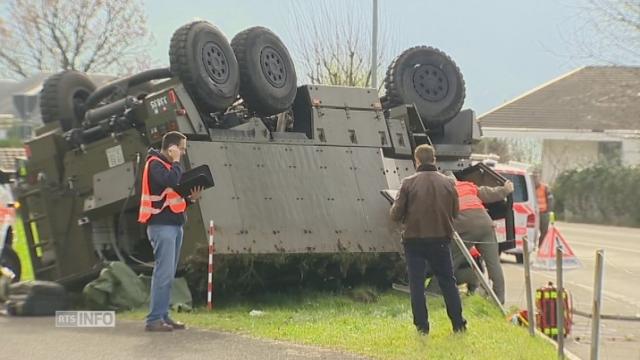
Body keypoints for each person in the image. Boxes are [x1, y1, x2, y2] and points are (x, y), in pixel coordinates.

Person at [389, 144, 466, 335]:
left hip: (414, 241)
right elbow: (455, 212)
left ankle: (422, 327)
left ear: (416, 161)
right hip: (441, 239)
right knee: (448, 282)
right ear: (434, 159)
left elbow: (396, 215)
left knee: (416, 284)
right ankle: (458, 324)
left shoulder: (408, 183)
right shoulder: (449, 183)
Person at [138, 131, 203, 332]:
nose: (182, 153)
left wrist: (191, 199)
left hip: (174, 226)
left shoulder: (168, 165)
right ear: (171, 147)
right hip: (161, 227)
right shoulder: (155, 164)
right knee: (163, 274)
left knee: (169, 274)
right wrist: (176, 161)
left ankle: (164, 316)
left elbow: (173, 195)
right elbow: (172, 181)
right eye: (181, 149)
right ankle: (154, 319)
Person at [448, 178, 514, 304]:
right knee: (493, 263)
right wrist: (505, 190)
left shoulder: (445, 190)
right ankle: (499, 300)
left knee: (449, 260)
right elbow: (488, 193)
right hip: (486, 224)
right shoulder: (467, 185)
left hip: (464, 226)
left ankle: (434, 292)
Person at [533, 171, 554, 246]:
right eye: (534, 177)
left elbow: (550, 200)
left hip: (543, 213)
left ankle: (541, 247)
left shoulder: (545, 188)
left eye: (536, 177)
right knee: (531, 231)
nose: (535, 179)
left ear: (539, 178)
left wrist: (548, 211)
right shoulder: (530, 188)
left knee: (544, 232)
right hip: (533, 214)